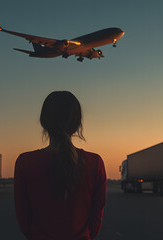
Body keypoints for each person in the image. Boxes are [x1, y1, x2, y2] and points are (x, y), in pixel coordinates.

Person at [14, 91, 107, 240]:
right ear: (77, 125)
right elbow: (94, 226)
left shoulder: (25, 163)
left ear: (43, 122)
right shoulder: (95, 163)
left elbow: (25, 223)